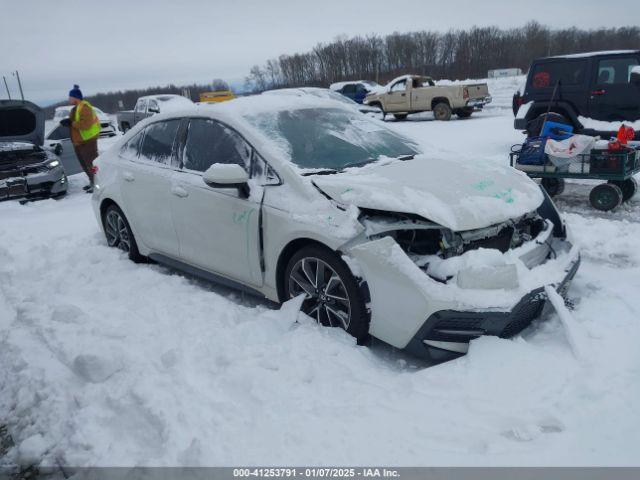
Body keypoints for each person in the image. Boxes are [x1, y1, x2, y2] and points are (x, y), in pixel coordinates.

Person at [60, 85, 101, 192]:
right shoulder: (75, 109)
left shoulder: (85, 107)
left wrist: (71, 123)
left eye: (70, 97)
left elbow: (86, 124)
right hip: (79, 142)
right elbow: (75, 122)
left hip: (88, 141)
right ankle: (92, 182)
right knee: (84, 164)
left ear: (75, 97)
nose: (68, 99)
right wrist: (67, 122)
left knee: (91, 164)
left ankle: (98, 183)